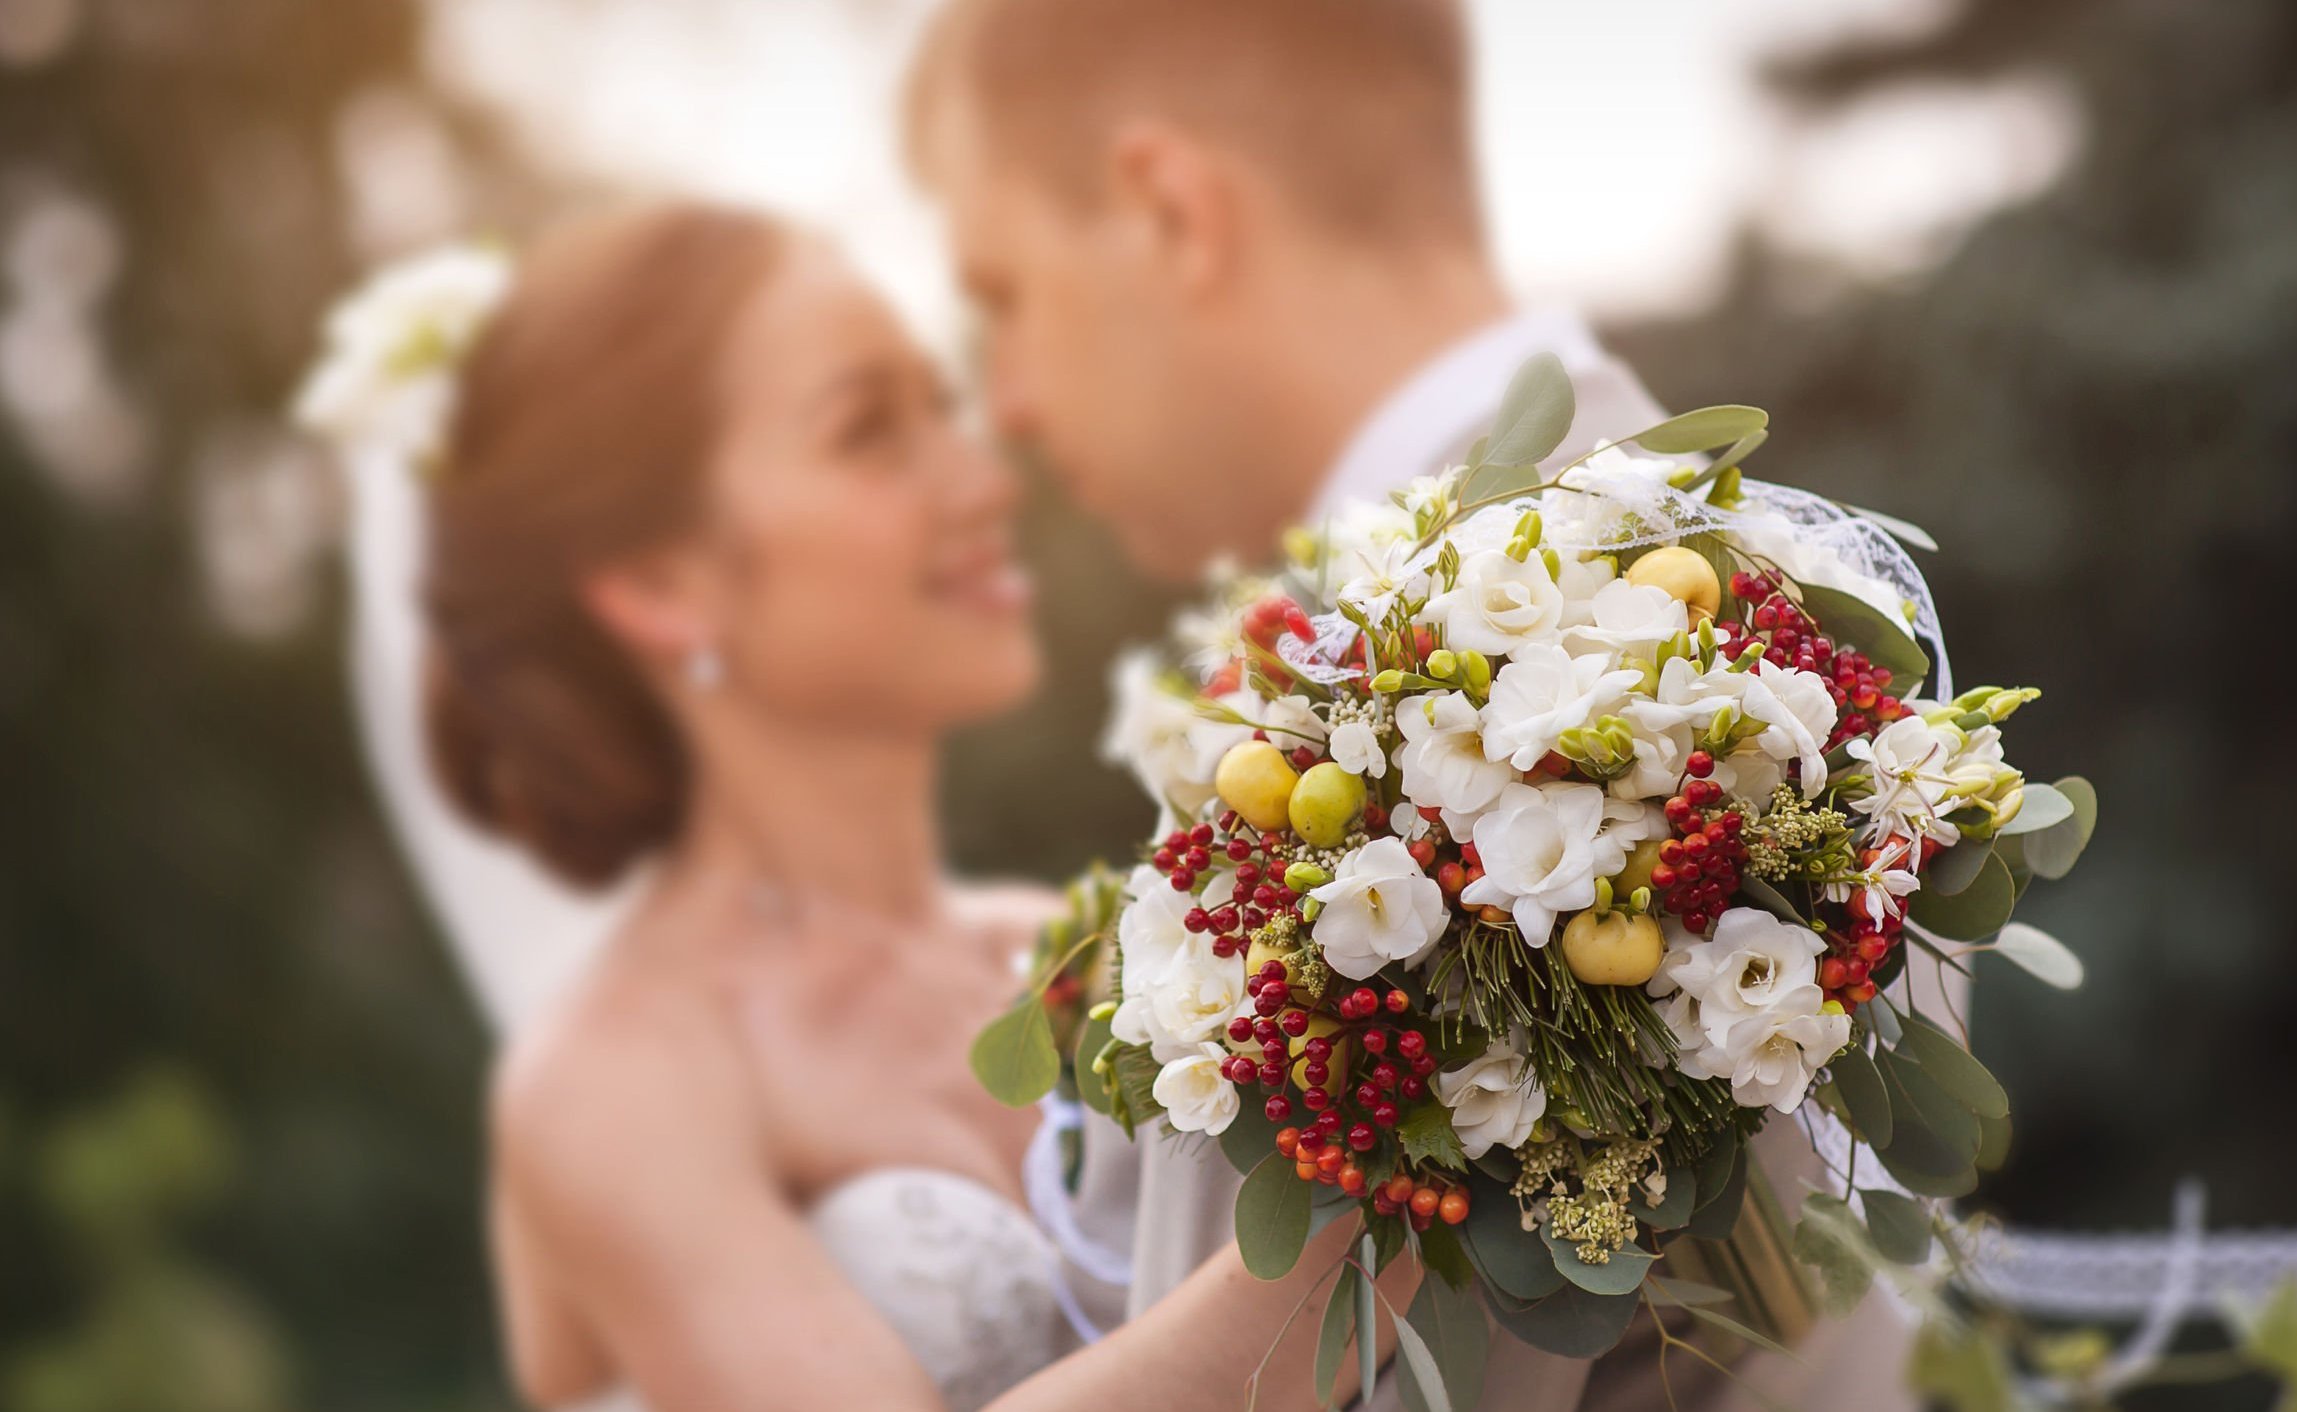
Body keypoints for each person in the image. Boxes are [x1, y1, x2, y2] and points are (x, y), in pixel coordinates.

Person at [905, 3, 1947, 1408]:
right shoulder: (1725, 601)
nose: (1006, 403)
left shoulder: (1553, 677)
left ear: (1169, 211)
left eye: (1001, 294)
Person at [320, 202, 1410, 1412]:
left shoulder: (1072, 941)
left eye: (941, 405)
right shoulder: (614, 1080)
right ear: (658, 583)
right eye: (870, 431)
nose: (985, 478)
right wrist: (1405, 1192)